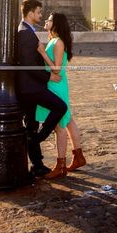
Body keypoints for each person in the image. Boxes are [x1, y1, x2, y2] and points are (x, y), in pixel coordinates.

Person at [16, 0, 68, 178]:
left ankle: (37, 165)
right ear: (30, 13)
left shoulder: (27, 31)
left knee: (31, 125)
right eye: (38, 12)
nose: (40, 15)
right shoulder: (24, 33)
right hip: (31, 88)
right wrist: (49, 77)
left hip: (31, 86)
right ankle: (40, 138)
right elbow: (28, 64)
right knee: (60, 107)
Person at [36, 12, 86, 179]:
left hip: (56, 85)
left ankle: (61, 165)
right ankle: (78, 157)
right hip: (57, 84)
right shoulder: (54, 40)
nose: (46, 21)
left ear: (55, 24)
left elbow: (56, 68)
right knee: (69, 120)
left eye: (49, 19)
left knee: (59, 126)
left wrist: (43, 53)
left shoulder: (57, 42)